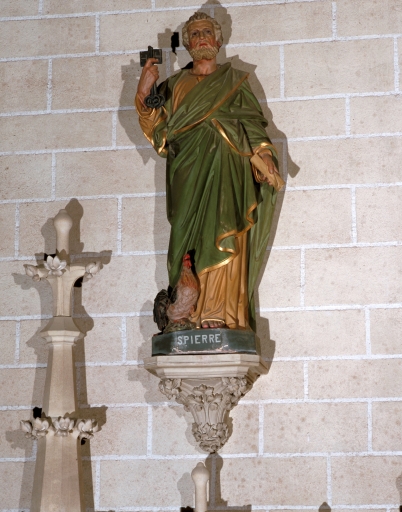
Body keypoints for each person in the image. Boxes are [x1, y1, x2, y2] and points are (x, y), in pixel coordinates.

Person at [136, 12, 280, 331]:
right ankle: (185, 312)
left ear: (218, 39)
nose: (201, 37)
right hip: (187, 174)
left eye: (206, 32)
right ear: (188, 43)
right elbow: (159, 134)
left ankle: (223, 314)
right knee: (186, 240)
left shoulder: (235, 82)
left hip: (229, 172)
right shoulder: (174, 86)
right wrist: (144, 95)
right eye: (195, 34)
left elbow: (253, 127)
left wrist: (265, 154)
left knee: (226, 228)